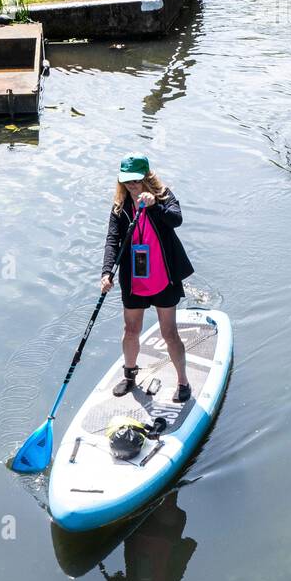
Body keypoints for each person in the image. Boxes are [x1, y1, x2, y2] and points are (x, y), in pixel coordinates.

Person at [101, 155, 194, 403]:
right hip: (134, 280)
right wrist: (106, 271)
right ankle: (130, 376)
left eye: (136, 180)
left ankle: (183, 381)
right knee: (131, 330)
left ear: (146, 176)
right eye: (127, 181)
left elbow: (177, 220)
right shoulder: (120, 207)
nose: (132, 185)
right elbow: (112, 240)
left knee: (169, 333)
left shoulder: (164, 196)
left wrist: (155, 206)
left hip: (164, 278)